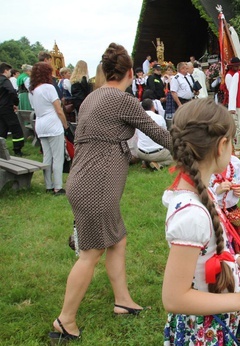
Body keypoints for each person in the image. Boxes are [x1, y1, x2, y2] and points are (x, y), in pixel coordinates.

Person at [49, 43, 172, 342]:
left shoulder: (93, 97)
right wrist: (200, 152)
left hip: (83, 180)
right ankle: (65, 320)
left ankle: (123, 300)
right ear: (131, 72)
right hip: (97, 185)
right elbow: (160, 135)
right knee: (91, 253)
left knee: (117, 239)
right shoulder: (122, 100)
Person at [162, 98, 240, 345]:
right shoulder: (191, 215)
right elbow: (174, 298)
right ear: (222, 145)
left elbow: (204, 256)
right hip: (206, 330)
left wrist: (237, 262)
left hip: (219, 318)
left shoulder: (203, 190)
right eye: (232, 141)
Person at [28, 62, 69, 195]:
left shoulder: (33, 90)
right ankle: (58, 186)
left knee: (47, 156)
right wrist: (65, 125)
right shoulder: (48, 88)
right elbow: (59, 109)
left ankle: (48, 185)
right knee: (58, 157)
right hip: (52, 123)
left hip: (40, 123)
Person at [210, 154, 240, 255]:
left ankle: (235, 265)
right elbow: (200, 191)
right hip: (214, 213)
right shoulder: (206, 164)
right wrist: (216, 191)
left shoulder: (234, 162)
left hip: (233, 213)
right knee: (217, 248)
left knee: (235, 247)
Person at [136, 98, 173, 170]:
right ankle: (158, 164)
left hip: (141, 152)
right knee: (170, 159)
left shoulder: (137, 119)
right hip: (157, 152)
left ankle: (145, 161)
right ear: (153, 107)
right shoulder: (159, 117)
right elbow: (165, 135)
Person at [0, 62, 24, 156]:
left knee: (2, 129)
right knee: (16, 129)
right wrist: (15, 103)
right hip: (7, 107)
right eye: (10, 71)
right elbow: (12, 91)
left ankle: (1, 150)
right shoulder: (5, 80)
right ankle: (17, 149)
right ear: (6, 70)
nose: (10, 72)